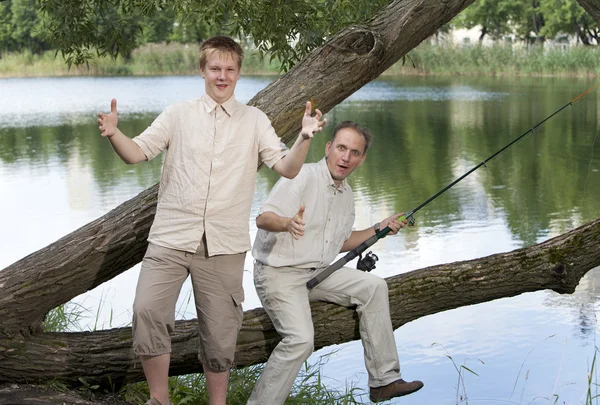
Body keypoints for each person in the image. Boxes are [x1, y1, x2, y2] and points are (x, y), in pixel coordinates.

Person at [96, 36, 327, 405]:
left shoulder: (255, 121)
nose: (222, 76)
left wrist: (303, 138)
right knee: (147, 310)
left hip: (225, 245)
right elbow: (136, 154)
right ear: (202, 70)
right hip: (171, 237)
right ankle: (160, 399)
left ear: (239, 73)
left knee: (220, 333)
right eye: (215, 69)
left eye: (230, 70)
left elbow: (286, 168)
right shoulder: (178, 114)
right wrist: (114, 134)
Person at [248, 121, 424, 404]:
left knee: (374, 287)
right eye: (341, 148)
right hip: (277, 273)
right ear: (329, 148)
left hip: (318, 271)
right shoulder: (301, 176)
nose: (346, 157)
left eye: (354, 152)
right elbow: (263, 218)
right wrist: (287, 223)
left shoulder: (347, 196)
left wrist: (381, 227)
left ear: (361, 159)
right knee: (301, 340)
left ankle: (383, 381)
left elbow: (339, 242)